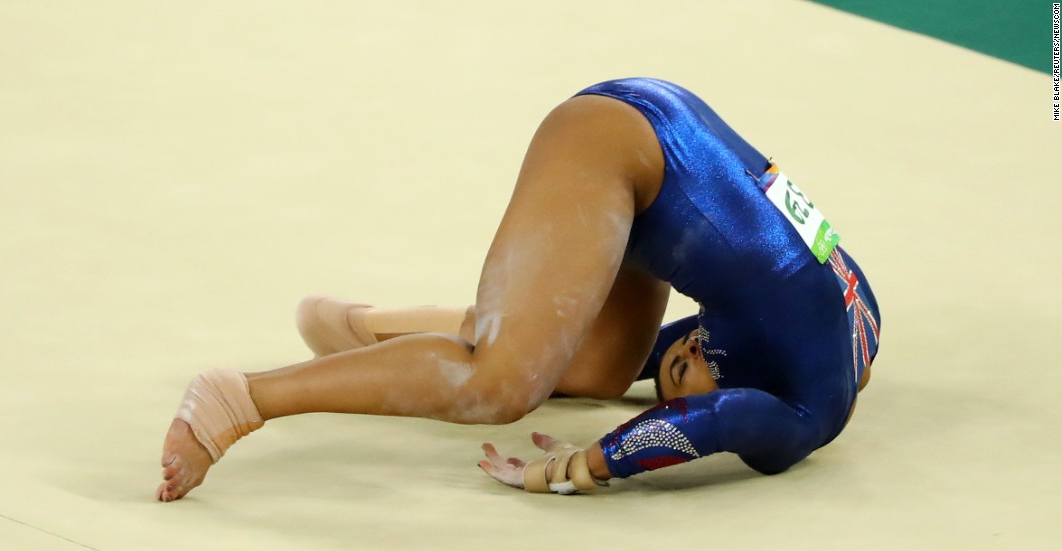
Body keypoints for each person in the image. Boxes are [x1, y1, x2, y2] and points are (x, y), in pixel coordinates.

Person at [157, 78, 880, 501]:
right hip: (616, 147)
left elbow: (698, 385)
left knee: (591, 369)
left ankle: (371, 328)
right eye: (686, 358)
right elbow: (709, 423)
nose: (681, 343)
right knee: (502, 385)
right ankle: (242, 397)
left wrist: (610, 432)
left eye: (679, 355)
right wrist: (585, 465)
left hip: (663, 149)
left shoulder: (857, 322)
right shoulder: (796, 420)